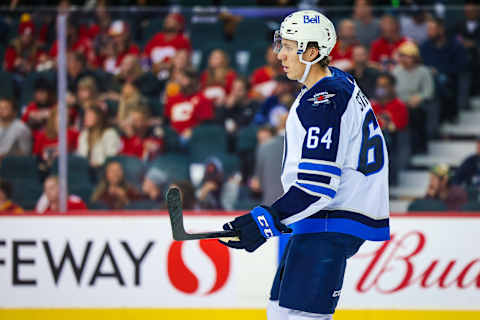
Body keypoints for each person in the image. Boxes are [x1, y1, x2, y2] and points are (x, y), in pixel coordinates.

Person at [219, 10, 390, 320]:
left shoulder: (323, 100)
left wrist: (264, 221)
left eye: (289, 46)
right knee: (279, 311)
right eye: (280, 44)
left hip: (328, 221)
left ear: (312, 52)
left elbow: (317, 187)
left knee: (299, 317)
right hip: (321, 220)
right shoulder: (336, 80)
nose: (279, 55)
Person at [420, 18, 469, 123]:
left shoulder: (455, 45)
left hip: (450, 78)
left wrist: (439, 70)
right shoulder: (425, 46)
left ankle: (443, 117)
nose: (429, 32)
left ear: (441, 30)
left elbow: (462, 66)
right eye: (428, 29)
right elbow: (421, 65)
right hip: (428, 79)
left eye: (432, 29)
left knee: (442, 81)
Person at [392, 41, 434, 154]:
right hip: (399, 103)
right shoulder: (395, 71)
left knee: (416, 113)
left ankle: (419, 147)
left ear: (415, 58)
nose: (404, 59)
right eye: (402, 56)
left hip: (416, 103)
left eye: (408, 57)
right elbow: (392, 91)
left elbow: (428, 91)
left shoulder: (424, 71)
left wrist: (418, 98)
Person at [164, 69, 214, 139]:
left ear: (194, 81)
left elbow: (206, 123)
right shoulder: (172, 100)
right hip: (173, 137)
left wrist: (193, 131)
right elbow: (166, 121)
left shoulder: (202, 99)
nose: (181, 82)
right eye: (180, 79)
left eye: (184, 79)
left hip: (194, 137)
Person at [143, 13, 191, 77]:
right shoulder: (157, 37)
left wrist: (163, 66)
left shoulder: (182, 40)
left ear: (179, 25)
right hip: (151, 72)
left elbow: (183, 59)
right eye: (167, 18)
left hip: (171, 74)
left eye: (172, 19)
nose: (168, 20)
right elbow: (145, 55)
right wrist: (151, 67)